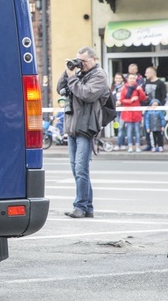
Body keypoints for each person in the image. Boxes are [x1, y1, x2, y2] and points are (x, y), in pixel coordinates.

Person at [56, 46, 109, 219]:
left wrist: (72, 79)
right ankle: (88, 207)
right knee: (77, 169)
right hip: (72, 127)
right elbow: (59, 88)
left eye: (84, 61)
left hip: (86, 128)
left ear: (94, 60)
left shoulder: (99, 75)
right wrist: (67, 72)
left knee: (81, 169)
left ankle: (80, 206)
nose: (82, 64)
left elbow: (87, 94)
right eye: (79, 60)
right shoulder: (78, 74)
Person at [120, 73, 147, 152]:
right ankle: (130, 146)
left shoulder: (138, 88)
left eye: (133, 78)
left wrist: (140, 90)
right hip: (128, 112)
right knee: (129, 131)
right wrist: (130, 101)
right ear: (128, 79)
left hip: (136, 113)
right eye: (130, 78)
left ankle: (138, 146)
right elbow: (121, 100)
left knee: (137, 131)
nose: (132, 80)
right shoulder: (124, 88)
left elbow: (143, 98)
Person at [110, 73, 126, 150]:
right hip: (115, 110)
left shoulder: (125, 87)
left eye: (120, 78)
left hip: (122, 109)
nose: (118, 80)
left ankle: (119, 144)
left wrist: (120, 102)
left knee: (121, 127)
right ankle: (121, 143)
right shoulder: (113, 88)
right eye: (116, 78)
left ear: (122, 79)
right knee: (118, 127)